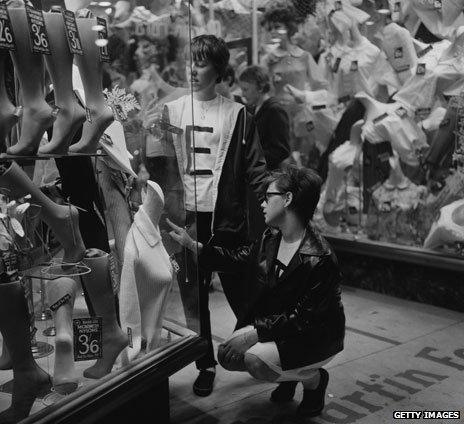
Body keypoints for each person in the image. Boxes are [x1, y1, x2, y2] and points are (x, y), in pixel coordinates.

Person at [168, 165, 345, 418]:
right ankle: (288, 377)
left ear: (288, 200)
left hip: (314, 337)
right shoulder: (271, 236)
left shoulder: (321, 258)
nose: (262, 203)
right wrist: (195, 247)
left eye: (268, 197)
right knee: (228, 356)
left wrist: (254, 334)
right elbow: (239, 259)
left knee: (255, 360)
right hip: (282, 329)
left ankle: (314, 380)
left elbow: (304, 319)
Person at [147, 34, 267, 397]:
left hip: (226, 218)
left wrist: (275, 200)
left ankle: (261, 348)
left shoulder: (237, 114)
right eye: (192, 63)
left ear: (218, 69)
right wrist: (147, 130)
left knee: (242, 292)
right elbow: (160, 159)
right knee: (193, 299)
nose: (194, 70)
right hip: (185, 217)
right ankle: (206, 363)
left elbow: (255, 167)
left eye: (202, 64)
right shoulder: (175, 109)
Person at [239, 65, 290, 171]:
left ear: (260, 88)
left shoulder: (275, 110)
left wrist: (250, 159)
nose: (243, 94)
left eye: (246, 89)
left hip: (269, 176)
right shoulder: (254, 109)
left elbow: (281, 150)